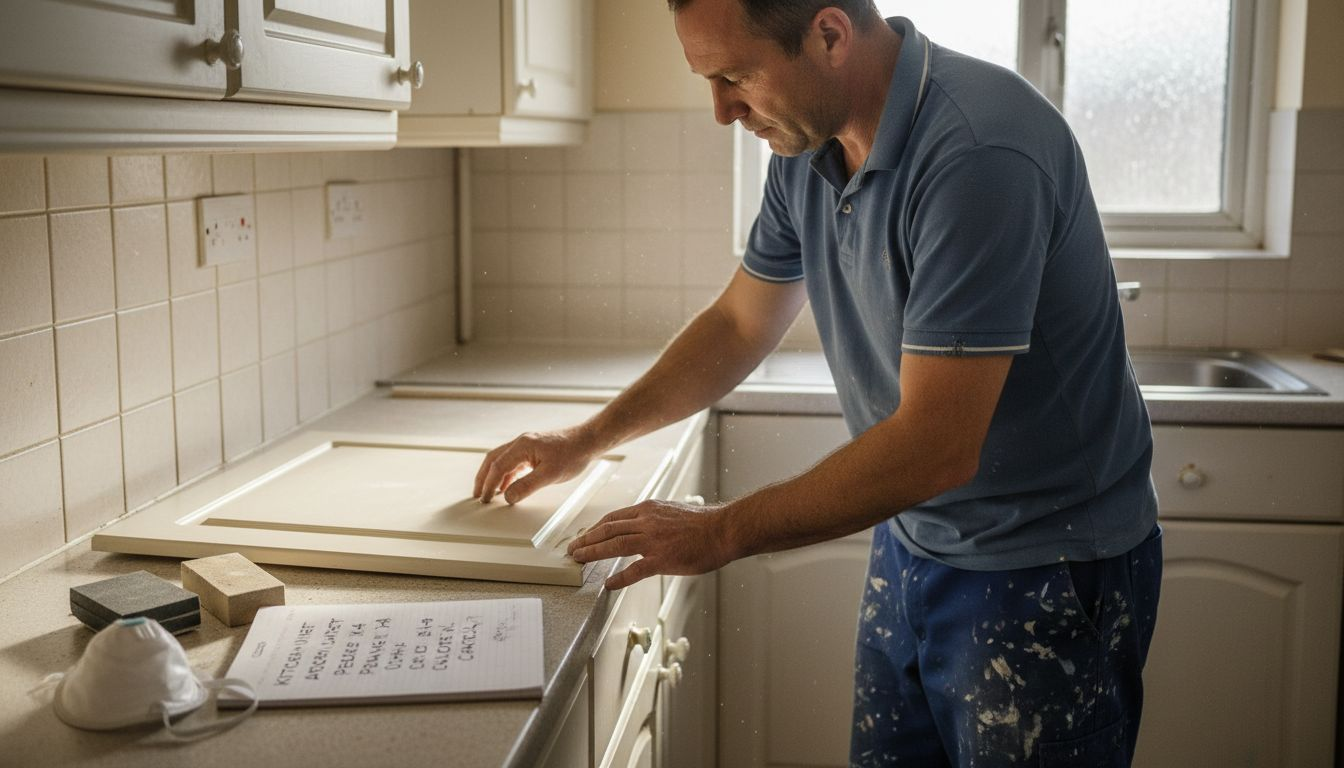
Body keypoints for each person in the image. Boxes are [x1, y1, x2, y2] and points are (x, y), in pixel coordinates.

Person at [473, 0, 1162, 765]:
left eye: (736, 77)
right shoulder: (807, 150)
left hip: (1043, 567)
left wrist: (718, 530)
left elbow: (936, 448)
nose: (721, 111)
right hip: (914, 537)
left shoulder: (978, 151)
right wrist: (586, 438)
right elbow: (739, 324)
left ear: (830, 35)